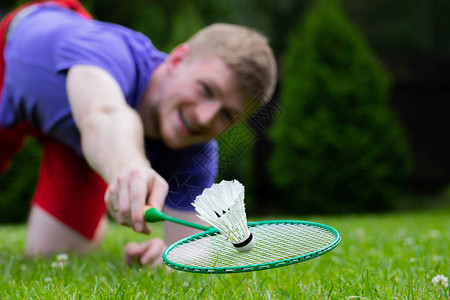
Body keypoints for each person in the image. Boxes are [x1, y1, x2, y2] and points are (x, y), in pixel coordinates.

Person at [0, 0, 277, 267]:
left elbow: (193, 246)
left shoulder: (197, 151)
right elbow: (104, 114)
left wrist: (170, 257)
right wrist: (129, 168)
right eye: (206, 89)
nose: (204, 118)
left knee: (49, 254)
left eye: (227, 115)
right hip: (8, 64)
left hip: (76, 143)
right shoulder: (105, 50)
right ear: (177, 60)